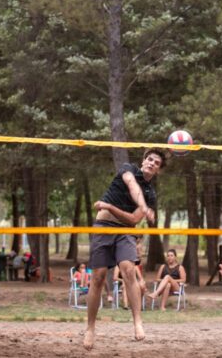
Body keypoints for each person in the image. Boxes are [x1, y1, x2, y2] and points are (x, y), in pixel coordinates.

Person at [84, 149, 165, 350]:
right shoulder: (128, 169)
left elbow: (132, 220)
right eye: (149, 159)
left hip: (125, 231)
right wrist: (144, 207)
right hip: (103, 227)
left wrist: (109, 207)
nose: (151, 163)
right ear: (143, 161)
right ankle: (90, 328)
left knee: (129, 269)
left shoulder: (151, 194)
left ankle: (137, 321)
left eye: (156, 162)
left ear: (158, 170)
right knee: (99, 277)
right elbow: (131, 185)